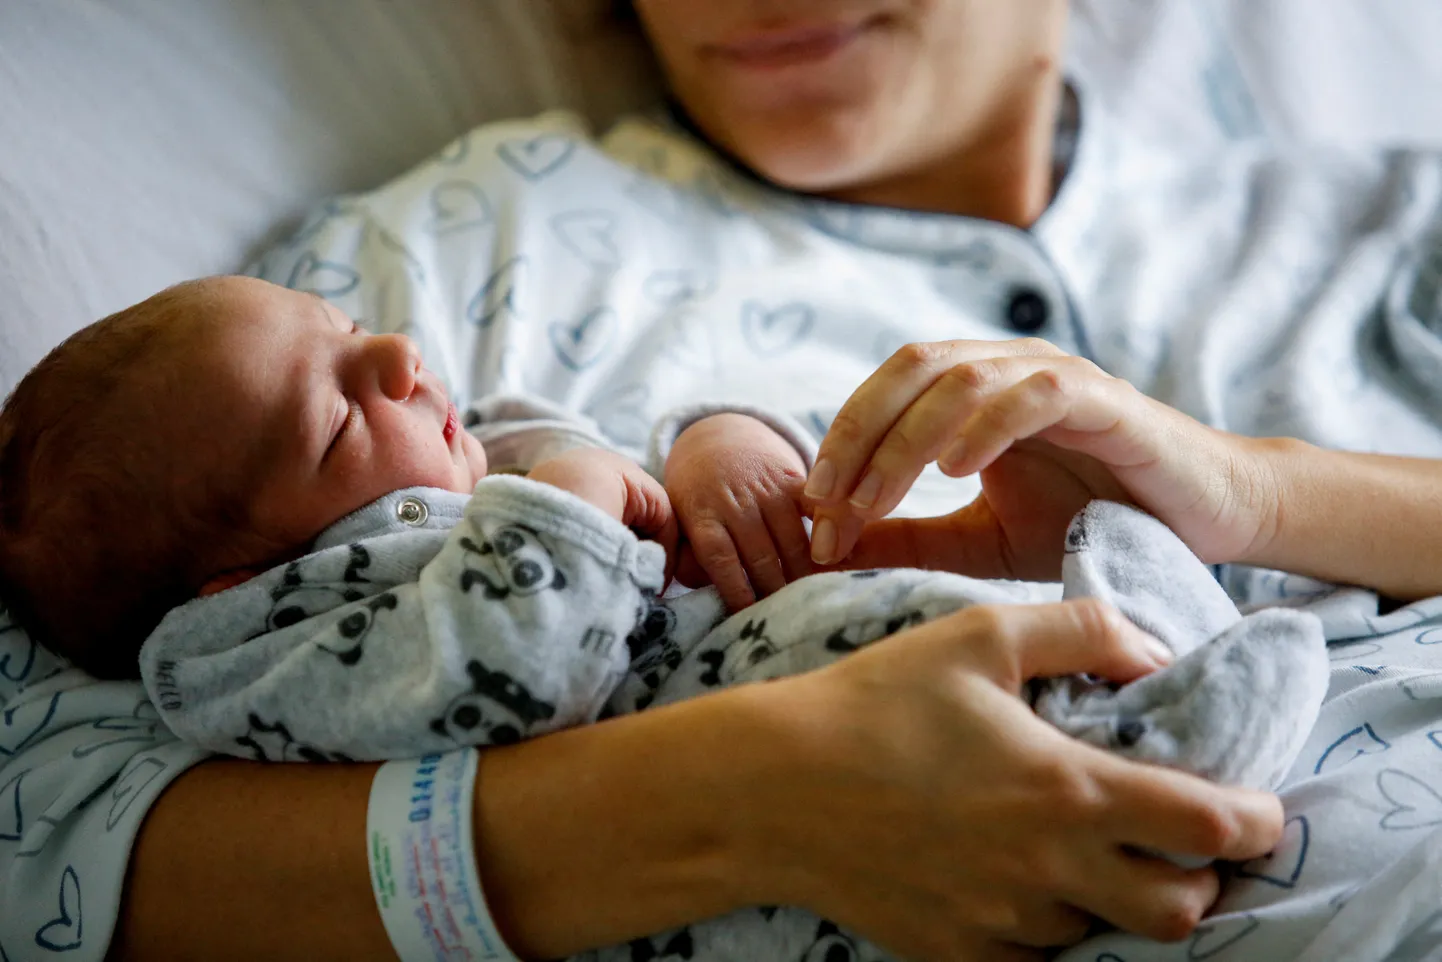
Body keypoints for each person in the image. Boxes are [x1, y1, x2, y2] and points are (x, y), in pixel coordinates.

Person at [9, 0, 1442, 958]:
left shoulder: (1388, 219)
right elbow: (42, 810)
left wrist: (1253, 495)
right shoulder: (460, 249)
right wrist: (729, 797)